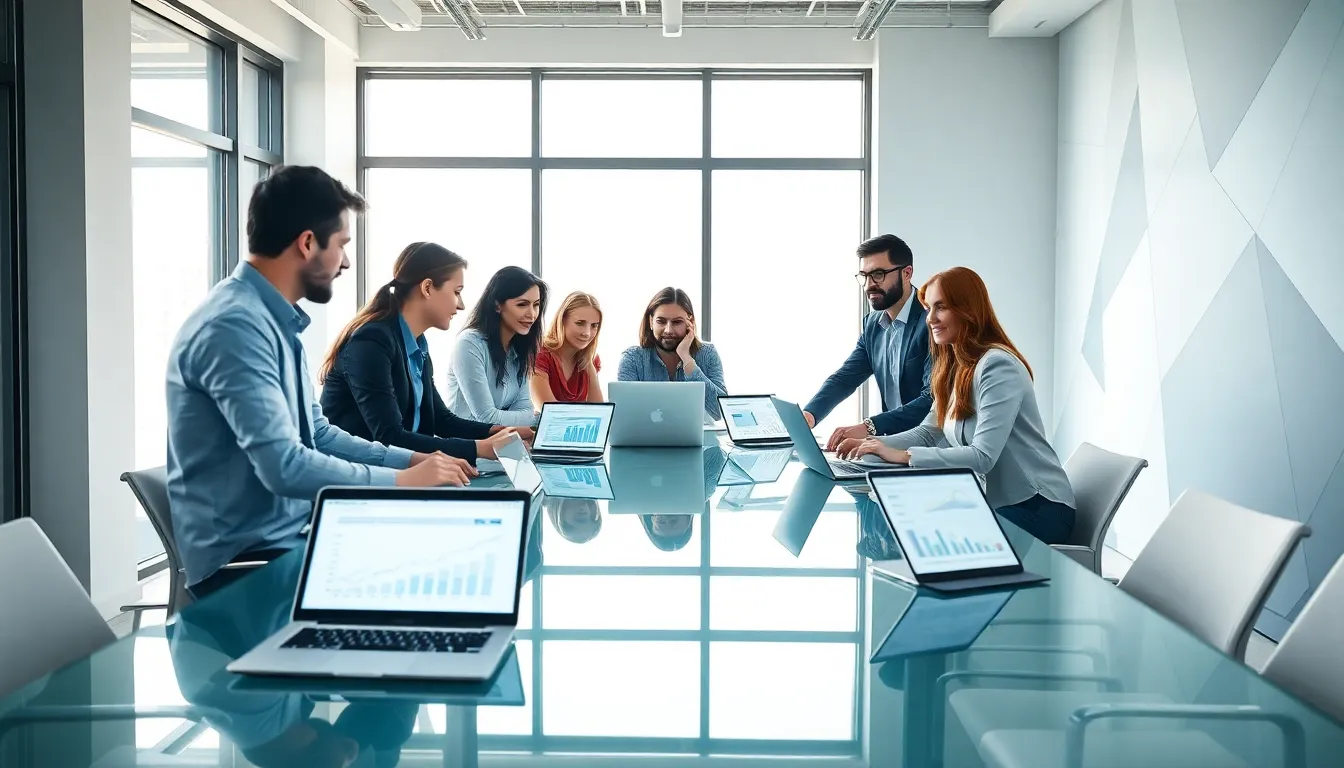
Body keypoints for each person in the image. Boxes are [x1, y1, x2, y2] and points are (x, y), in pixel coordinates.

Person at [166, 166, 473, 598]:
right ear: (308, 243)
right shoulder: (235, 327)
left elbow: (320, 435)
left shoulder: (272, 322)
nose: (346, 261)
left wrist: (411, 462)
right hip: (248, 565)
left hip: (296, 537)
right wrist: (402, 481)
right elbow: (285, 466)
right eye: (342, 245)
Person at [837, 267, 1076, 544]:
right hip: (996, 502)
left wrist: (903, 456)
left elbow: (982, 457)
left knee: (934, 538)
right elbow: (927, 433)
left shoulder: (998, 366)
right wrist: (872, 444)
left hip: (1038, 508)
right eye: (929, 309)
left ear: (967, 311)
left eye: (941, 307)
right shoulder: (954, 367)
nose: (930, 319)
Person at [319, 242, 531, 466]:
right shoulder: (372, 341)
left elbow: (441, 420)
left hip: (394, 472)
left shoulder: (417, 344)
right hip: (353, 477)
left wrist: (497, 431)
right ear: (427, 288)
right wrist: (479, 448)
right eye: (456, 292)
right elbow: (390, 436)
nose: (461, 305)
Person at [802, 234, 933, 451]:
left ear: (907, 273)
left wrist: (869, 426)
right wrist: (810, 415)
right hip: (890, 448)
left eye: (878, 274)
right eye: (864, 276)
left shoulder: (933, 322)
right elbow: (845, 379)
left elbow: (931, 400)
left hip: (929, 448)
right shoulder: (873, 324)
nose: (869, 285)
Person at [445, 266, 547, 427]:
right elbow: (486, 417)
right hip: (464, 441)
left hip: (502, 439)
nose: (532, 314)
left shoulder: (518, 349)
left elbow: (526, 409)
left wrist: (527, 417)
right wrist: (531, 418)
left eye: (536, 305)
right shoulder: (469, 344)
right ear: (497, 305)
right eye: (522, 304)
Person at [617, 287, 726, 420]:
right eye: (661, 321)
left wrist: (687, 359)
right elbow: (624, 416)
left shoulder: (708, 354)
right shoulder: (632, 359)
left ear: (690, 323)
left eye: (677, 322)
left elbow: (720, 412)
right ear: (651, 322)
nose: (668, 330)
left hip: (697, 434)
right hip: (645, 434)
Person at [532, 291, 604, 405]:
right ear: (562, 320)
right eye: (580, 323)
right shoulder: (540, 354)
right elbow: (548, 410)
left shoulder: (592, 359)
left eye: (594, 325)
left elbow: (599, 410)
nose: (587, 333)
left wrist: (590, 365)